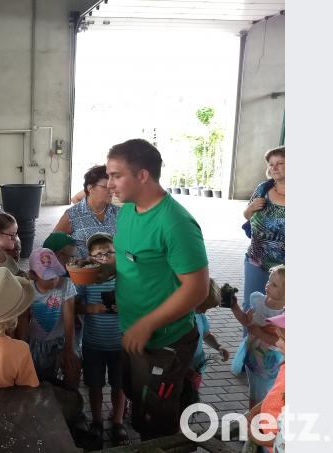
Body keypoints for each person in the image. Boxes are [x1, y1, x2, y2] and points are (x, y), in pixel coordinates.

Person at [105, 138, 209, 440]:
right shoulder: (127, 212)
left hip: (165, 341)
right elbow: (131, 259)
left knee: (157, 420)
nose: (109, 183)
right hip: (135, 333)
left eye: (116, 175)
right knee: (140, 402)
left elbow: (197, 289)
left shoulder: (175, 223)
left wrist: (147, 324)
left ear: (142, 175)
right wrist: (105, 269)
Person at [234, 146, 285, 376]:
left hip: (285, 269)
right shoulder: (263, 188)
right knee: (252, 308)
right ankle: (248, 356)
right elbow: (246, 216)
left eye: (280, 163)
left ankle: (278, 359)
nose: (274, 168)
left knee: (283, 313)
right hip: (256, 259)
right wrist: (250, 209)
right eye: (271, 164)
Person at [76, 232, 128, 445]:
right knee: (94, 385)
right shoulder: (85, 279)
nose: (104, 258)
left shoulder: (125, 277)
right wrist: (91, 308)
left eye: (109, 253)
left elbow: (137, 303)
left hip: (120, 344)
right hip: (92, 344)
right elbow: (74, 305)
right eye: (98, 254)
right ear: (90, 256)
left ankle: (117, 422)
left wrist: (123, 308)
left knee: (120, 385)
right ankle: (96, 421)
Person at [18, 248, 80, 388]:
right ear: (33, 275)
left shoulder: (66, 284)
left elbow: (69, 320)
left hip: (62, 340)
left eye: (55, 273)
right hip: (36, 342)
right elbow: (23, 320)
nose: (54, 278)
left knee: (73, 365)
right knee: (35, 379)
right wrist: (22, 349)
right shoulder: (28, 289)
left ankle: (71, 401)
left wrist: (68, 349)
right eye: (47, 275)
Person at [230, 265, 285, 409]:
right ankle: (252, 421)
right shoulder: (258, 300)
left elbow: (282, 343)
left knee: (268, 396)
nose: (267, 285)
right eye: (269, 281)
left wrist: (260, 333)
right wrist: (234, 307)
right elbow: (247, 322)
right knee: (254, 392)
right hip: (253, 357)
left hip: (272, 364)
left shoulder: (285, 313)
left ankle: (261, 423)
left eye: (274, 285)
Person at [53, 165, 120, 259]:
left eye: (112, 187)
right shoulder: (73, 215)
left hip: (117, 270)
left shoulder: (120, 213)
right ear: (90, 188)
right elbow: (52, 244)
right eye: (105, 187)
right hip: (85, 270)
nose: (111, 191)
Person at [182, 279, 230, 409]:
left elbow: (206, 334)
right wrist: (184, 369)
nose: (204, 311)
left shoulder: (200, 316)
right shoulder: (181, 318)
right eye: (202, 307)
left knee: (190, 398)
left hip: (197, 368)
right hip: (179, 370)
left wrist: (218, 346)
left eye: (207, 308)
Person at [246, 314, 285, 453]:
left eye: (283, 339)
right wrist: (254, 411)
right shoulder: (285, 365)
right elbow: (277, 395)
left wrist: (264, 439)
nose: (277, 343)